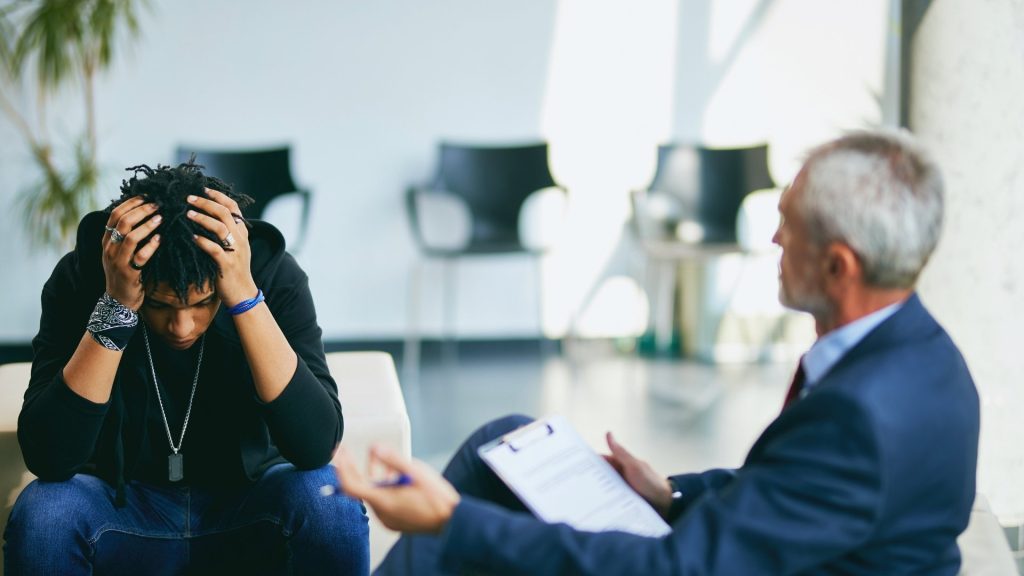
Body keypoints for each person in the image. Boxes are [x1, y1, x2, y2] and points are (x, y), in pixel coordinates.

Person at [336, 130, 980, 575]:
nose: (776, 237)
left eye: (791, 222)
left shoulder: (861, 420)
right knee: (501, 446)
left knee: (476, 517)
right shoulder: (923, 355)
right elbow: (792, 491)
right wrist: (669, 492)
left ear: (840, 265)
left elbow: (678, 569)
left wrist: (451, 522)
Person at [4, 162, 369, 574]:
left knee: (330, 500)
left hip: (247, 508)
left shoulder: (269, 274)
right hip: (122, 512)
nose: (181, 326)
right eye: (159, 306)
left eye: (201, 304)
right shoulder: (86, 278)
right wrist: (117, 306)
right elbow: (50, 458)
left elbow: (316, 445)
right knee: (45, 515)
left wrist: (244, 297)